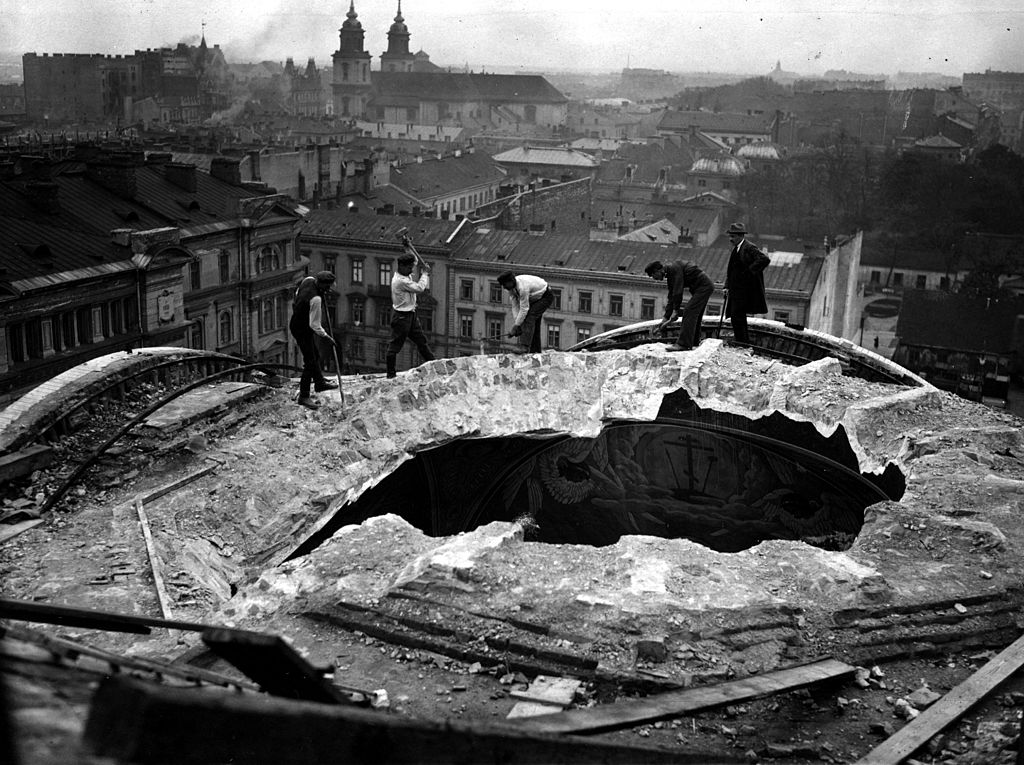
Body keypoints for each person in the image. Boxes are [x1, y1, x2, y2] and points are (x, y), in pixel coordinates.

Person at [289, 271, 339, 409]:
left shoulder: (308, 280)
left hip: (297, 323)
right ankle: (304, 396)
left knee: (315, 355)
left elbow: (298, 292)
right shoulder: (315, 299)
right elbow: (315, 325)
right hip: (302, 329)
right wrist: (327, 337)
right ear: (321, 284)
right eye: (327, 287)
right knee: (310, 362)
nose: (329, 290)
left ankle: (319, 383)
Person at [644, 260, 714, 351]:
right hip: (701, 287)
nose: (654, 279)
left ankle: (683, 344)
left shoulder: (673, 269)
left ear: (657, 271)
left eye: (653, 276)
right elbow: (671, 297)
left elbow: (677, 292)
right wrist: (665, 318)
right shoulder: (670, 273)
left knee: (689, 312)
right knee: (695, 314)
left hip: (703, 286)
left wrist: (675, 311)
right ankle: (693, 341)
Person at [386, 252, 435, 378]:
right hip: (402, 317)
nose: (411, 270)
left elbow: (415, 261)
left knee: (421, 342)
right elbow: (419, 288)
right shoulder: (400, 281)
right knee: (395, 346)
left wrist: (407, 247)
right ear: (401, 266)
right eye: (409, 268)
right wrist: (425, 274)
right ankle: (390, 374)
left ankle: (435, 365)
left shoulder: (404, 274)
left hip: (410, 315)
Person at [724, 222, 771, 344]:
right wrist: (726, 285)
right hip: (736, 289)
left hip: (744, 291)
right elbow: (732, 270)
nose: (730, 239)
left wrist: (749, 272)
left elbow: (764, 259)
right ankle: (741, 341)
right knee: (736, 317)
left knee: (737, 316)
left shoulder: (749, 247)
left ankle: (742, 342)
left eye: (733, 236)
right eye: (730, 236)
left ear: (740, 236)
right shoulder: (737, 249)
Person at [498, 270, 553, 353]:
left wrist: (516, 326)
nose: (504, 287)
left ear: (510, 281)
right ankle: (535, 350)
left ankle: (524, 347)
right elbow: (515, 306)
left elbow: (524, 309)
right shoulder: (511, 289)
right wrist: (518, 325)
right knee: (533, 324)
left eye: (504, 284)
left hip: (545, 297)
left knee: (529, 317)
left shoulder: (523, 288)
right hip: (534, 299)